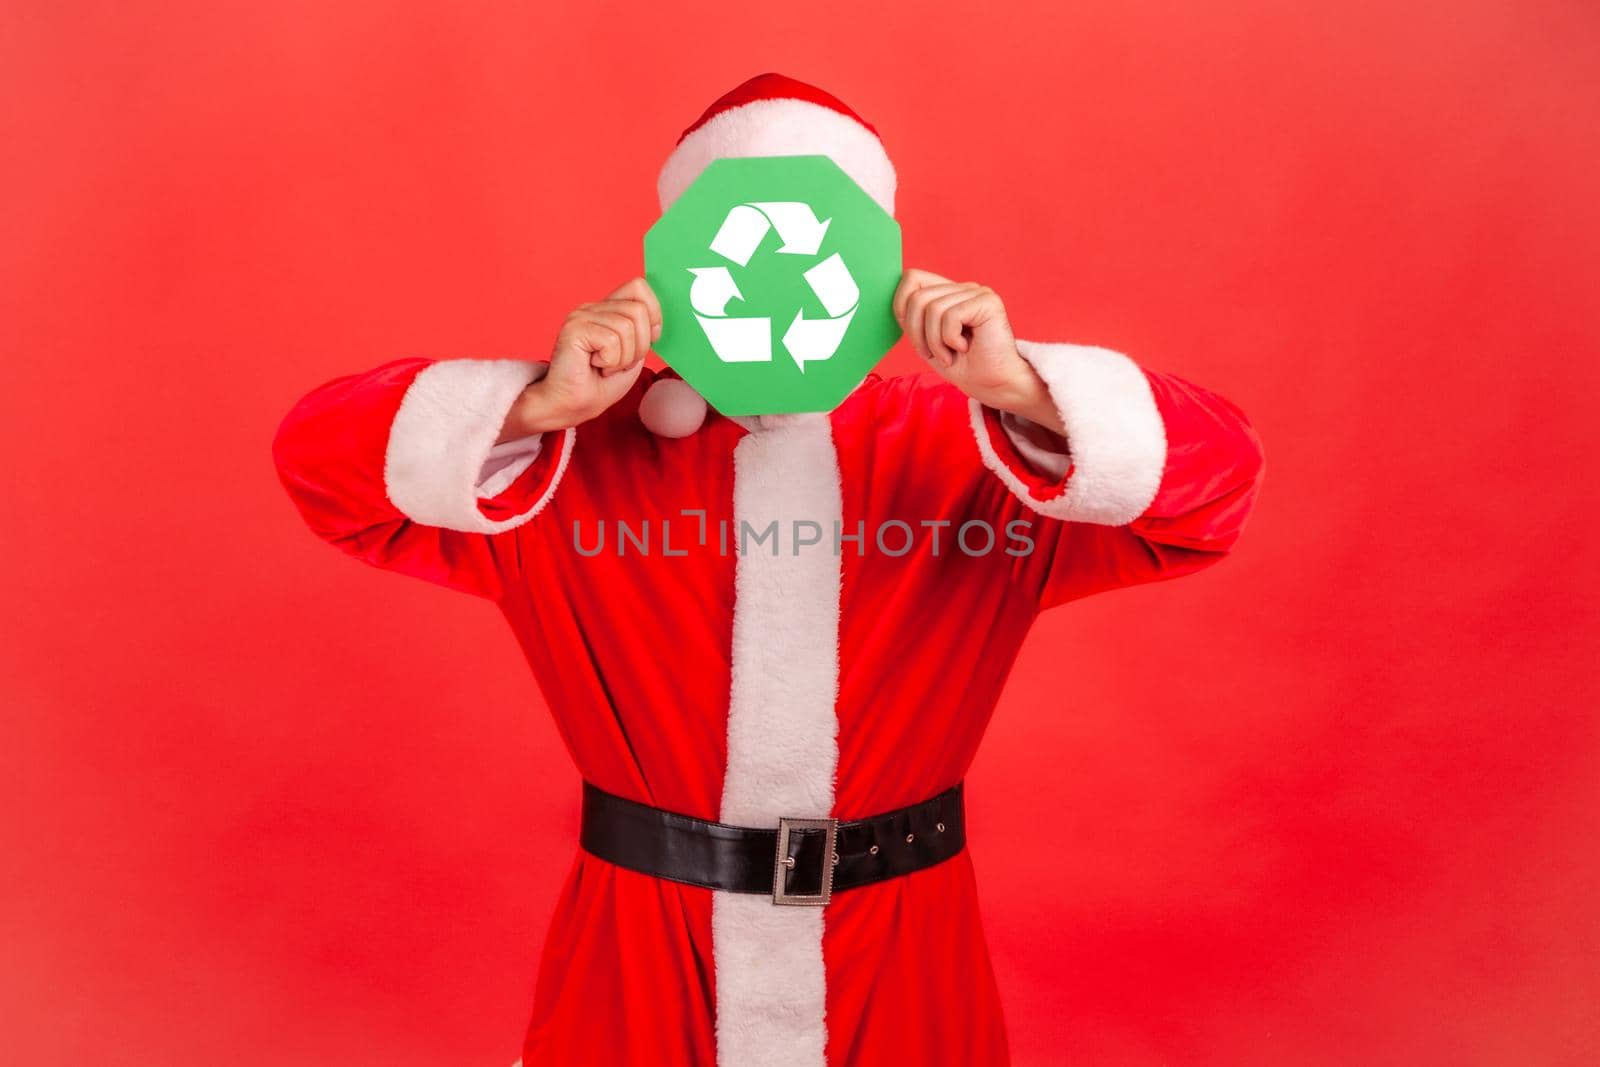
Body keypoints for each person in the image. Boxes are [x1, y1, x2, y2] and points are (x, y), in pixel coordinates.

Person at [272, 72, 1265, 1067]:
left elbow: (1214, 490)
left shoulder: (975, 450)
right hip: (640, 958)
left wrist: (1022, 387)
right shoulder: (561, 461)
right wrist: (533, 404)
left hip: (903, 956)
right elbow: (321, 462)